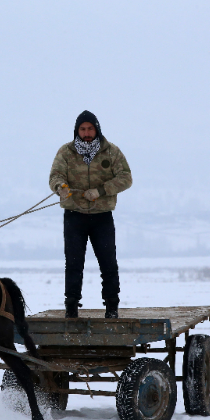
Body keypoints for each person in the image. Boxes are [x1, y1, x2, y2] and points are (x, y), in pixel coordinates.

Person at [48, 110, 133, 318]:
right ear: (77, 130)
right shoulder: (65, 152)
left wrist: (101, 191)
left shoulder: (111, 152)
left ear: (97, 129)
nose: (86, 133)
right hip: (74, 215)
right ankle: (71, 307)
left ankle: (112, 307)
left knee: (108, 263)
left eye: (90, 129)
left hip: (102, 216)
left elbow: (126, 178)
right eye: (83, 129)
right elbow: (55, 176)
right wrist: (60, 187)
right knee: (74, 264)